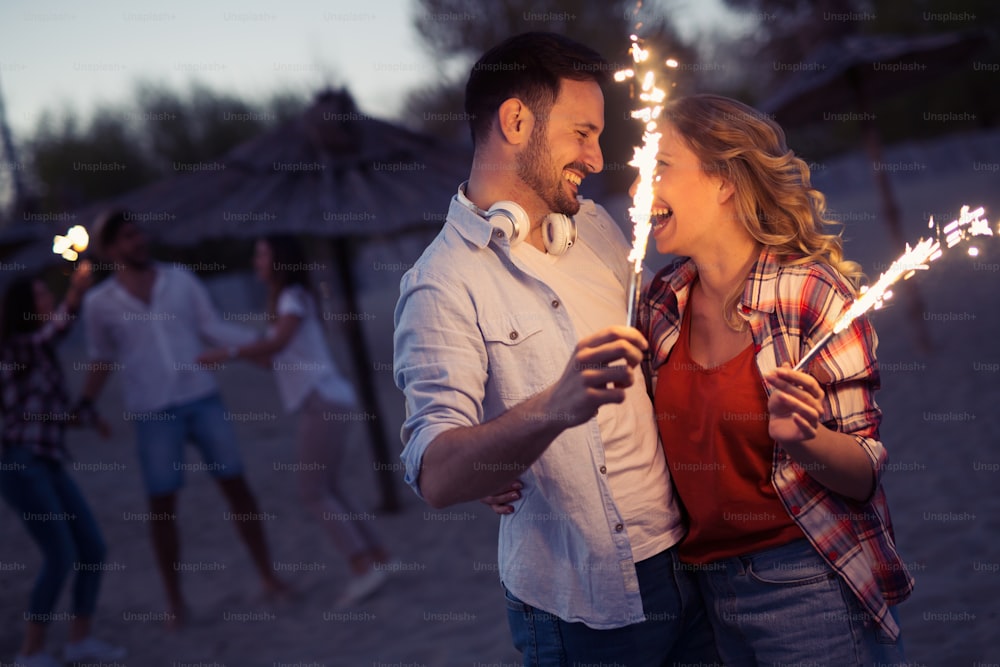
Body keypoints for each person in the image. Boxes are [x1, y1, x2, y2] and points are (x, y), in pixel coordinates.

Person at [393, 32, 717, 666]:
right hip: (584, 608)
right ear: (516, 120)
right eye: (582, 133)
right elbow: (436, 473)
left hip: (692, 562)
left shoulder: (595, 227)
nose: (597, 158)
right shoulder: (440, 283)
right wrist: (550, 412)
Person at [638, 93, 914, 665]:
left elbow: (864, 473)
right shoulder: (661, 302)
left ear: (724, 181)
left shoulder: (811, 296)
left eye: (661, 163)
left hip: (805, 584)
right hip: (705, 595)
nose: (643, 180)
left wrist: (805, 440)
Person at [76, 211, 288, 628]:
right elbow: (100, 358)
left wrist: (261, 346)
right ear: (110, 249)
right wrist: (84, 403)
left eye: (139, 233)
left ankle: (268, 575)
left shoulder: (179, 278)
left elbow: (212, 327)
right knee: (162, 506)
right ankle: (175, 601)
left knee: (237, 487)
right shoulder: (98, 304)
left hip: (201, 397)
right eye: (127, 237)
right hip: (152, 411)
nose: (138, 241)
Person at [198, 235, 391, 606]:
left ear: (279, 260)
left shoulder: (292, 299)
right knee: (329, 486)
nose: (256, 261)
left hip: (322, 401)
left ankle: (362, 567)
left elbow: (277, 344)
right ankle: (378, 556)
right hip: (328, 400)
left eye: (261, 254)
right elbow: (273, 357)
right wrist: (233, 352)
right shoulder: (289, 302)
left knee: (312, 491)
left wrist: (230, 351)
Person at [0, 263, 126, 667]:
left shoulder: (41, 353)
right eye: (40, 296)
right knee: (60, 555)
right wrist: (76, 293)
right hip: (19, 465)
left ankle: (79, 641)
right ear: (24, 307)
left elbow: (48, 410)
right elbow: (55, 330)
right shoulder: (17, 346)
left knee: (92, 548)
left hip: (48, 460)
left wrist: (90, 418)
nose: (47, 300)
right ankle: (29, 653)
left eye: (48, 294)